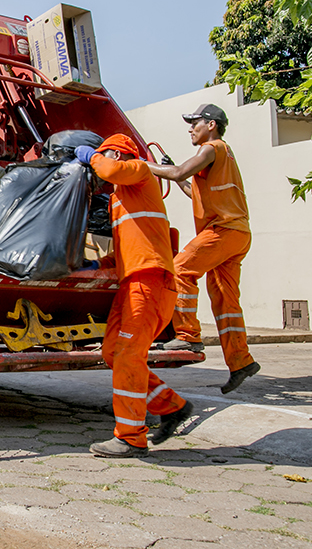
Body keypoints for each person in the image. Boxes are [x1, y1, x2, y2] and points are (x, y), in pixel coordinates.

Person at [74, 134, 193, 457]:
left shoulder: (140, 172)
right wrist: (97, 264)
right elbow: (130, 245)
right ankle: (171, 406)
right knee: (113, 351)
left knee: (128, 354)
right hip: (132, 283)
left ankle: (130, 438)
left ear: (116, 155)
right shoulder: (119, 199)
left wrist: (91, 156)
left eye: (104, 156)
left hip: (150, 282)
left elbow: (111, 170)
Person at [146, 104, 260, 394]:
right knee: (225, 300)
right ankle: (241, 361)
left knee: (180, 269)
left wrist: (142, 166)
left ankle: (187, 335)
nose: (190, 128)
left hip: (222, 231)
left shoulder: (212, 148)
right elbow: (187, 185)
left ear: (211, 124)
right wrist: (179, 175)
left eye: (194, 123)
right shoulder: (223, 155)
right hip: (238, 234)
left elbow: (177, 172)